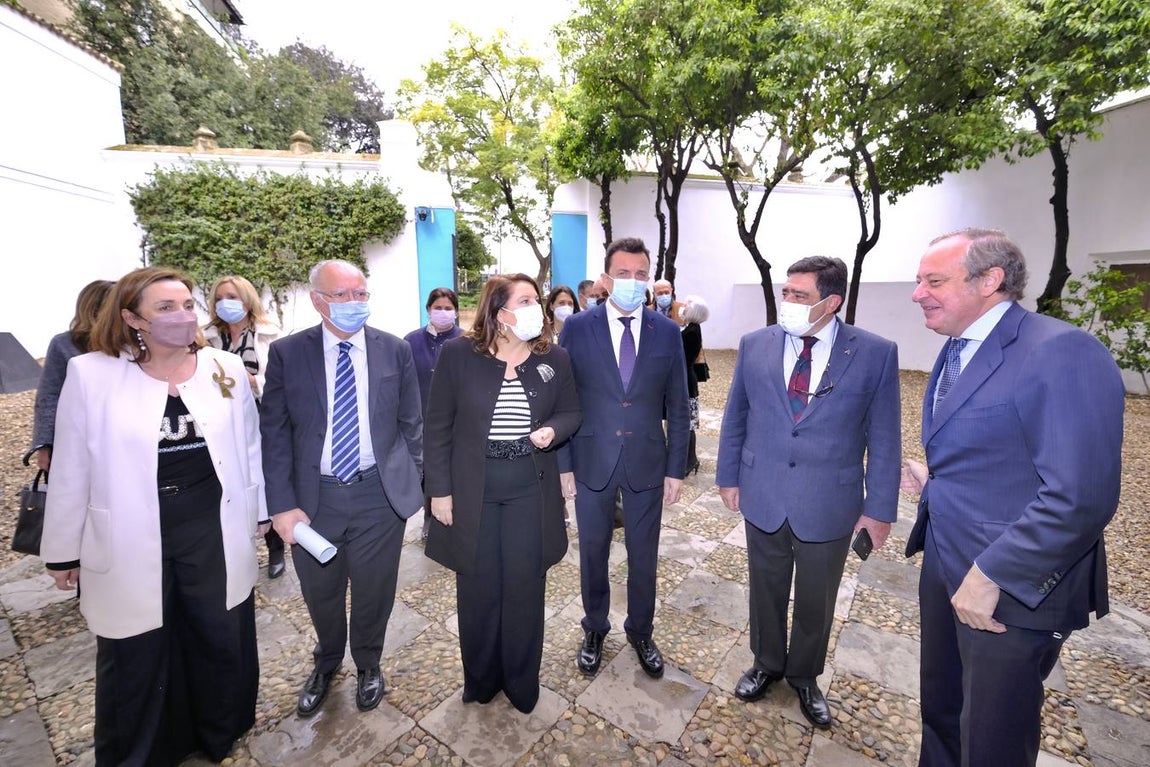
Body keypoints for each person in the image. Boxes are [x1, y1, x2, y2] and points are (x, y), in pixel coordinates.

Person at [900, 229, 1124, 767]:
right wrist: (940, 479)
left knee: (993, 740)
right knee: (944, 713)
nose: (917, 293)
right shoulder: (959, 345)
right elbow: (1007, 449)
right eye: (918, 280)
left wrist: (991, 575)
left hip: (1007, 591)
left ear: (990, 280)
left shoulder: (1063, 351)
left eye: (934, 280)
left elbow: (1081, 496)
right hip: (947, 566)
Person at [41, 266, 266, 765]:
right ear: (131, 318)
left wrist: (260, 512)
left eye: (188, 304)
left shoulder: (223, 368)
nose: (184, 316)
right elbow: (72, 465)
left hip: (210, 525)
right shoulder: (92, 375)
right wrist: (61, 550)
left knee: (216, 632)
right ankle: (140, 750)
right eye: (166, 308)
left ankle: (216, 730)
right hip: (128, 531)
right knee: (137, 646)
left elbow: (249, 446)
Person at [716, 256, 900, 728]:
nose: (788, 302)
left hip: (830, 501)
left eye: (800, 295)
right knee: (766, 588)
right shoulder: (755, 344)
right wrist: (728, 476)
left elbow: (884, 438)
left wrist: (879, 510)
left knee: (817, 598)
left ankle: (804, 676)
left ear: (831, 302)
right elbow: (737, 415)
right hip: (764, 493)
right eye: (787, 292)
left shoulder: (875, 353)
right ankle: (767, 663)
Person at [260, 259, 424, 718]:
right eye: (343, 295)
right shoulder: (289, 354)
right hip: (314, 501)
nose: (355, 304)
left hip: (378, 496)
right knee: (321, 590)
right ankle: (327, 661)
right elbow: (273, 434)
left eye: (361, 294)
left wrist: (411, 480)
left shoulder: (394, 350)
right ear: (317, 301)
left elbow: (413, 423)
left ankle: (369, 663)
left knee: (375, 589)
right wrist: (281, 505)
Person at [423, 274, 581, 714]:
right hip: (474, 489)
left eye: (538, 299)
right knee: (477, 587)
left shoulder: (555, 358)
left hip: (530, 490)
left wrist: (554, 429)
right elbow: (437, 427)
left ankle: (520, 681)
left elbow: (572, 411)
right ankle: (481, 679)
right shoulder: (458, 355)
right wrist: (439, 492)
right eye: (526, 300)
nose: (538, 307)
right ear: (499, 312)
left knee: (525, 588)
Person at [559, 236, 690, 679]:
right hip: (591, 457)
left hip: (647, 462)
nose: (632, 282)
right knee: (592, 550)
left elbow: (678, 402)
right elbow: (563, 399)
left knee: (644, 553)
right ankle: (594, 627)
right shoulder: (577, 328)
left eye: (640, 274)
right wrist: (564, 465)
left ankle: (641, 629)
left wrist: (677, 468)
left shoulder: (667, 331)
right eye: (623, 274)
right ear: (606, 278)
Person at [203, 274, 285, 577]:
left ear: (247, 300)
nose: (227, 303)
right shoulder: (205, 337)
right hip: (218, 418)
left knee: (263, 479)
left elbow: (280, 377)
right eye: (221, 297)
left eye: (234, 296)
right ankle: (233, 546)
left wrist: (252, 380)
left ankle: (275, 546)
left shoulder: (267, 334)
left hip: (260, 412)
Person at [30, 279, 114, 470]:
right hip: (77, 440)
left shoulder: (133, 343)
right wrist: (45, 444)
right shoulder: (64, 344)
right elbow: (49, 396)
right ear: (94, 310)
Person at [404, 287, 465, 538]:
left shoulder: (465, 340)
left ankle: (456, 516)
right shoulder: (411, 341)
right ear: (428, 309)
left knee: (455, 469)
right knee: (428, 472)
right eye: (437, 308)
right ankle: (430, 518)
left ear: (457, 312)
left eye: (448, 308)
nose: (442, 312)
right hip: (420, 419)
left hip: (457, 420)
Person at [679, 295, 709, 475]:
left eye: (686, 305)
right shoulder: (692, 328)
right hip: (687, 377)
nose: (682, 307)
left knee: (687, 423)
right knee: (688, 422)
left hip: (686, 379)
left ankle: (690, 460)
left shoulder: (691, 331)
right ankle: (690, 459)